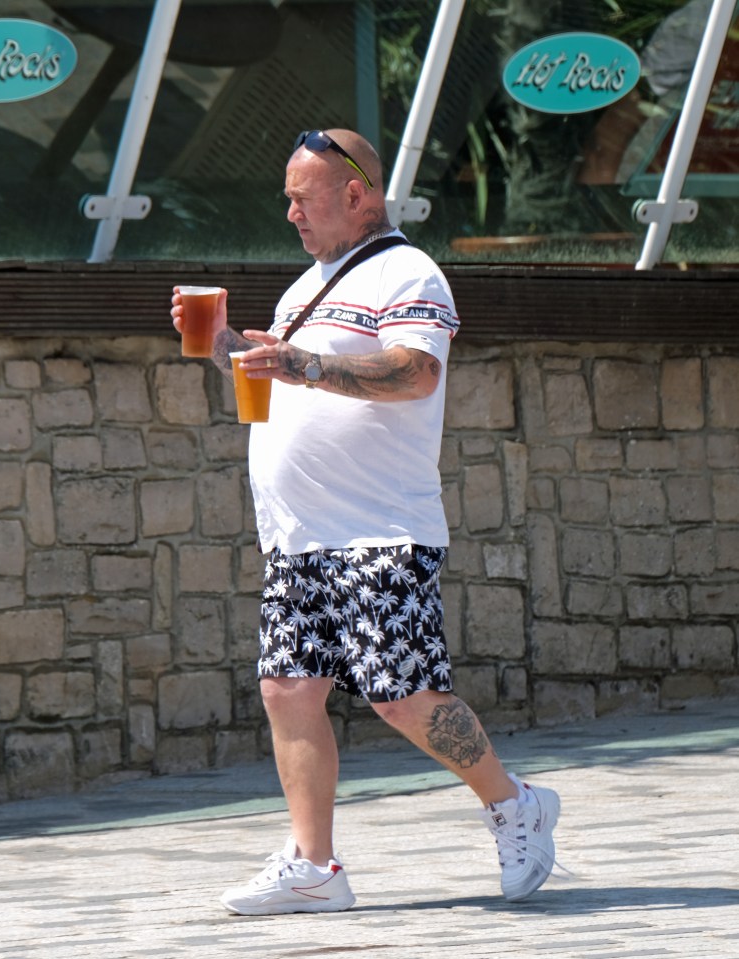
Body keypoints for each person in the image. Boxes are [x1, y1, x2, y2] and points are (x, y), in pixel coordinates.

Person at [171, 128, 560, 916]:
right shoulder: (305, 287)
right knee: (287, 689)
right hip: (300, 535)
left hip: (379, 528)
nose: (290, 213)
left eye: (302, 197)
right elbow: (281, 383)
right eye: (287, 199)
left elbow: (415, 371)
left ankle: (515, 803)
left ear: (356, 193)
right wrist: (225, 347)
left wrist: (303, 362)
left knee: (403, 692)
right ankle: (315, 865)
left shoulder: (409, 272)